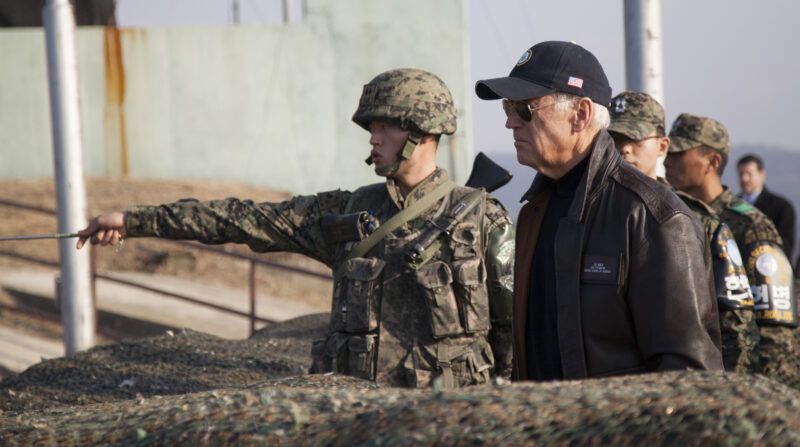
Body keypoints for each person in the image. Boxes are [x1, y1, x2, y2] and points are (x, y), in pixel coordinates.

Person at [77, 68, 516, 389]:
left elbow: (515, 327)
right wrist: (135, 221)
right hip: (353, 417)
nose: (373, 138)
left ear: (422, 133)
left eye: (385, 127)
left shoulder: (481, 221)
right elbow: (240, 218)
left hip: (448, 419)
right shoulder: (348, 213)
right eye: (371, 128)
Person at [474, 40, 723, 381]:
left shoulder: (653, 217)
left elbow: (688, 372)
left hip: (617, 433)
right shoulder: (535, 209)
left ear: (581, 115)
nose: (511, 123)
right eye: (508, 109)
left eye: (525, 109)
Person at [608, 92, 757, 373]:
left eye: (634, 139)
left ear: (662, 146)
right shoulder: (594, 216)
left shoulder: (699, 222)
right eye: (615, 140)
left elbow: (735, 325)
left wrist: (727, 394)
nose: (623, 150)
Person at [665, 113, 799, 384]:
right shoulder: (678, 218)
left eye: (680, 154)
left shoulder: (751, 226)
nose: (668, 160)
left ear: (712, 162)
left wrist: (767, 395)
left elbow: (775, 327)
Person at [737, 154, 796, 259]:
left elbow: (785, 247)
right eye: (741, 174)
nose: (744, 178)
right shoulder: (732, 206)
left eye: (749, 174)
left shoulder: (782, 208)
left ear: (762, 174)